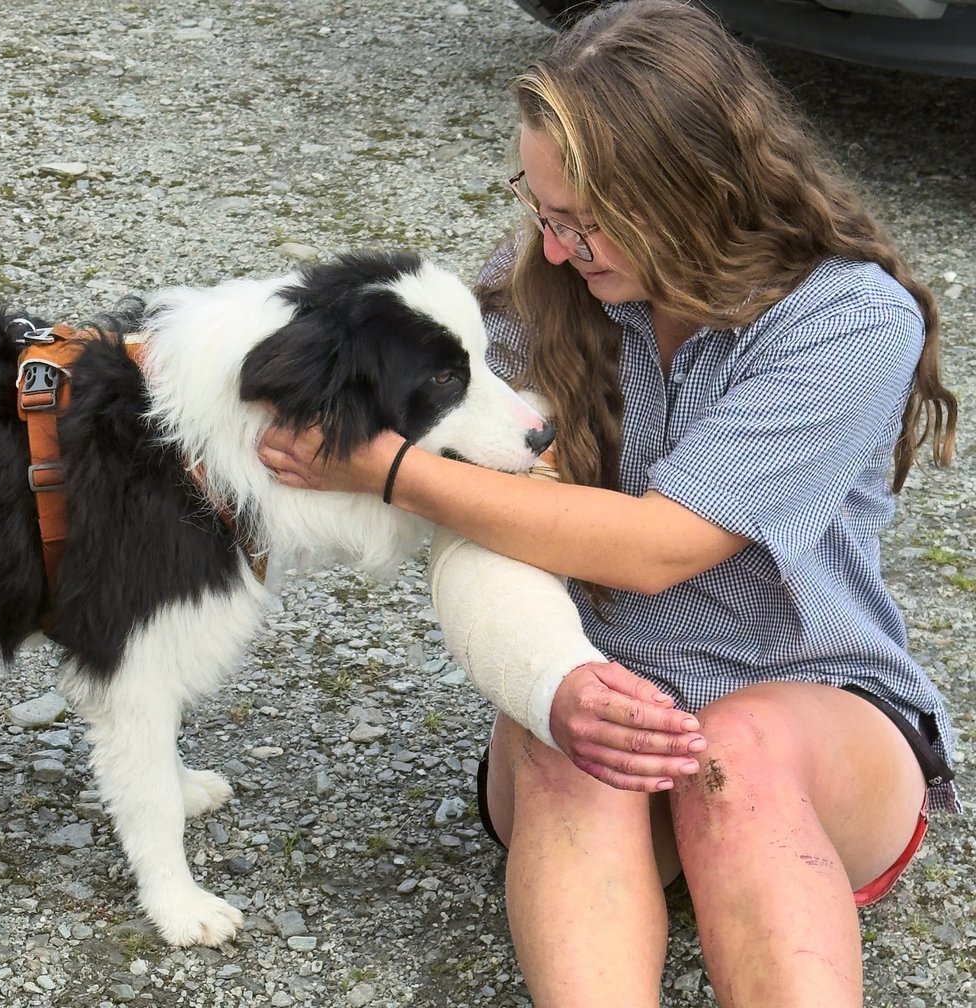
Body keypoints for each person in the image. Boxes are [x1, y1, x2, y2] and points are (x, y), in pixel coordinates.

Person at [258, 1, 960, 1005]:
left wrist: (386, 470)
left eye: (587, 221)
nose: (553, 250)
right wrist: (551, 680)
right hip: (607, 718)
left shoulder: (846, 318)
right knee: (569, 729)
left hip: (815, 723)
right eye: (542, 211)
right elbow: (463, 498)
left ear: (698, 190)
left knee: (738, 750)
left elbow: (659, 547)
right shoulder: (535, 292)